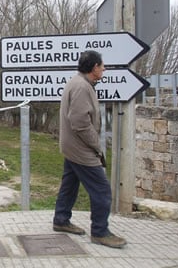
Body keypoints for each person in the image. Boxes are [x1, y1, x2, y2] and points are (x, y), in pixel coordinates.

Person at [52, 50, 127, 249]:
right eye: (102, 65)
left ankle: (60, 219)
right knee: (102, 190)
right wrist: (96, 145)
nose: (104, 69)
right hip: (81, 149)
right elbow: (80, 123)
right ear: (94, 68)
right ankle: (100, 232)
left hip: (72, 147)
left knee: (69, 184)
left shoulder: (79, 83)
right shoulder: (81, 87)